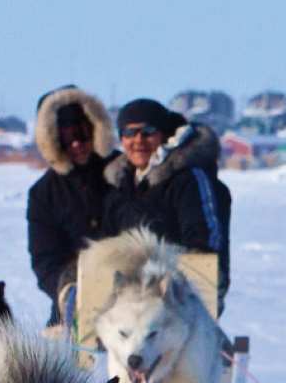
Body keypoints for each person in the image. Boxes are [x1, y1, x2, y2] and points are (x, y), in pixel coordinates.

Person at [103, 97, 233, 314]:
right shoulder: (119, 187)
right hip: (131, 303)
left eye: (148, 131)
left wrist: (167, 284)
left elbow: (205, 245)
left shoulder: (188, 179)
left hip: (183, 300)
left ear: (164, 135)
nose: (138, 140)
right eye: (129, 133)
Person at [25, 86, 115, 325]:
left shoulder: (124, 173)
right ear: (51, 140)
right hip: (74, 308)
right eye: (66, 138)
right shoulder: (43, 194)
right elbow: (45, 262)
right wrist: (71, 291)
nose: (77, 144)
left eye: (83, 133)